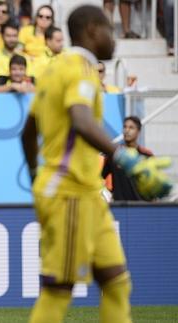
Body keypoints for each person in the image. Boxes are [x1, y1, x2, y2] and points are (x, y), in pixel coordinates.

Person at [21, 5, 172, 323]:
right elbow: (81, 119)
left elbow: (28, 130)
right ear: (91, 30)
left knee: (116, 282)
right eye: (109, 29)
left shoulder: (54, 68)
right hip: (69, 190)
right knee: (59, 290)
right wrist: (124, 157)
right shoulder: (81, 68)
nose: (113, 38)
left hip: (86, 192)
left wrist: (37, 174)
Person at [102, 116, 155, 201]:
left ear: (138, 131)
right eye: (125, 127)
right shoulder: (114, 155)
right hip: (120, 208)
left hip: (142, 207)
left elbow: (153, 186)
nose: (127, 130)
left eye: (131, 128)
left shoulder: (146, 156)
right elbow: (100, 177)